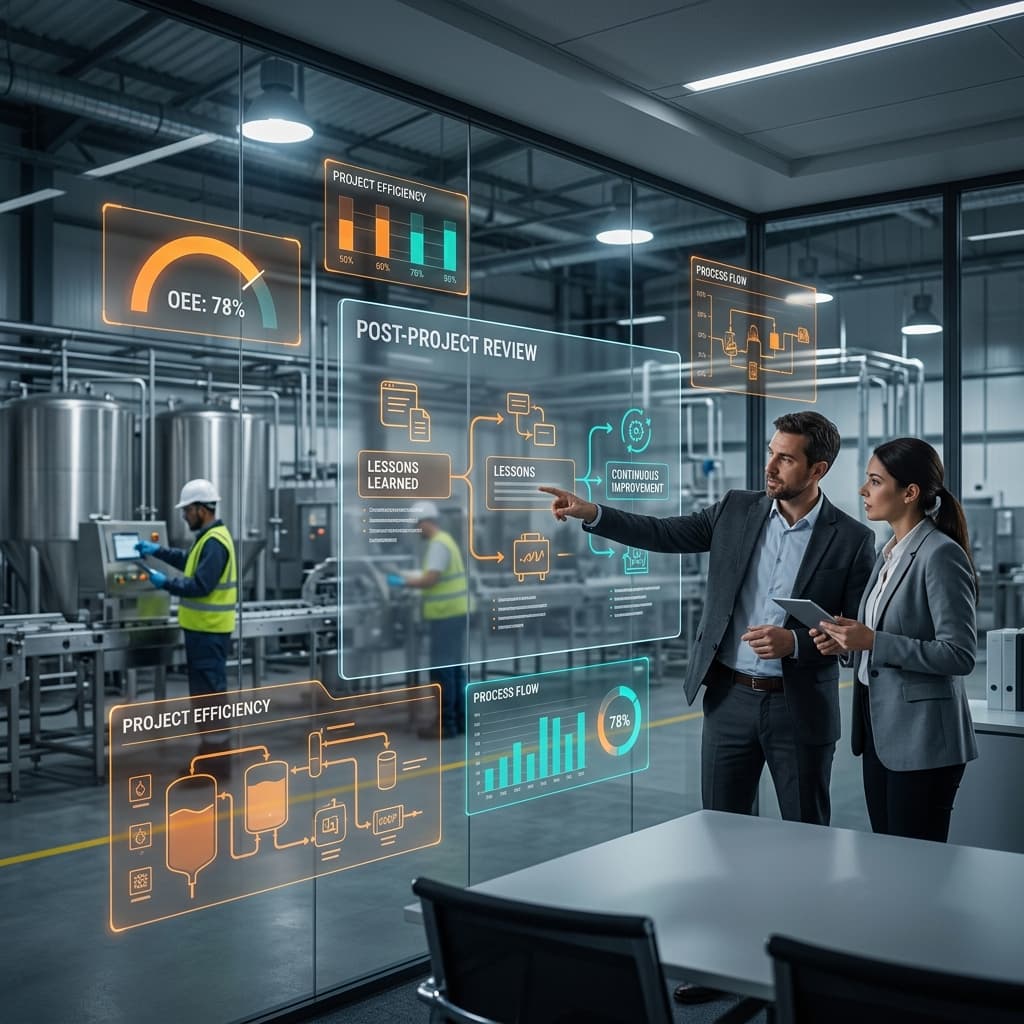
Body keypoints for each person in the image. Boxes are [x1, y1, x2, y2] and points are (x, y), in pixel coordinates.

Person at [812, 437, 978, 843]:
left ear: (910, 493)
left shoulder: (940, 554)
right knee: (888, 855)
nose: (862, 491)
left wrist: (873, 641)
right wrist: (847, 641)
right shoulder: (889, 554)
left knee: (917, 866)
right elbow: (881, 635)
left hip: (924, 742)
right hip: (881, 735)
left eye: (874, 481)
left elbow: (959, 654)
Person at [137, 478, 237, 703]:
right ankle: (212, 738)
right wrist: (158, 551)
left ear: (202, 509)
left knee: (209, 694)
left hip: (209, 632)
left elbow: (200, 586)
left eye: (188, 510)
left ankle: (216, 739)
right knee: (204, 694)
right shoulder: (206, 539)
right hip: (203, 631)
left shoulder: (214, 543)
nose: (184, 516)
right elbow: (187, 560)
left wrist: (166, 583)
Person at [388, 501, 469, 739]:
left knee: (442, 672)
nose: (416, 532)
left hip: (446, 615)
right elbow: (434, 576)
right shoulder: (445, 542)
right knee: (453, 670)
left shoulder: (438, 545)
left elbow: (431, 580)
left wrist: (401, 582)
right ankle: (458, 721)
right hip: (453, 614)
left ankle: (445, 724)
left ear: (424, 523)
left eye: (416, 526)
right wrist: (409, 576)